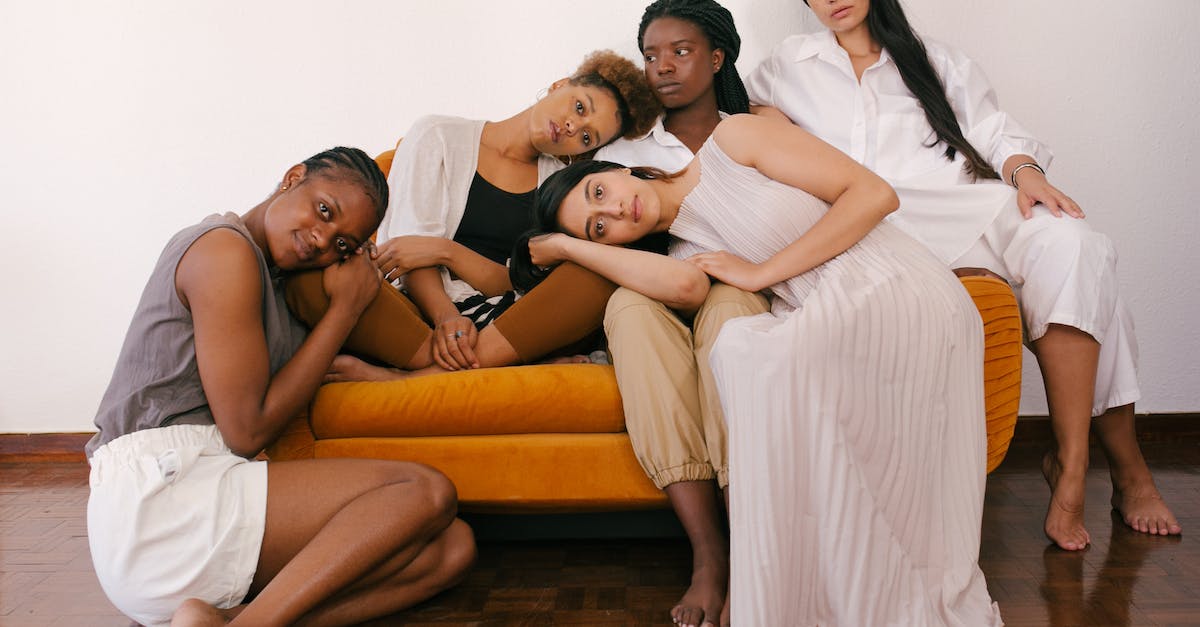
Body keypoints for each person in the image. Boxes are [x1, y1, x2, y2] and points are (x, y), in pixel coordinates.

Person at [513, 113, 1003, 625]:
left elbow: (875, 195)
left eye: (598, 192)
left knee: (750, 354)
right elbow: (684, 288)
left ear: (616, 169)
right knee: (749, 356)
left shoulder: (733, 140)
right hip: (828, 313)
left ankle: (760, 571)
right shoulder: (685, 252)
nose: (615, 209)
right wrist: (568, 246)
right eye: (599, 228)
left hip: (890, 286)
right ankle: (755, 568)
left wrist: (762, 272)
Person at [744, 0, 1180, 551]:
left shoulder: (934, 60)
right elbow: (743, 126)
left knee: (1078, 246)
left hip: (964, 210)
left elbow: (995, 133)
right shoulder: (784, 66)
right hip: (875, 228)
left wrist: (1026, 173)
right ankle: (1127, 469)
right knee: (1087, 271)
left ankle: (1072, 461)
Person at [85, 147, 475, 627]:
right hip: (159, 505)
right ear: (292, 178)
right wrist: (345, 310)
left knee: (451, 551)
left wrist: (400, 367)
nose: (321, 240)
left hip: (200, 495)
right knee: (425, 489)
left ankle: (227, 619)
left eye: (343, 244)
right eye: (324, 210)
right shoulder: (223, 250)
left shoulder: (281, 284)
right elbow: (246, 432)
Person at [285, 51, 660, 382]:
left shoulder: (562, 189)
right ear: (560, 85)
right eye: (579, 107)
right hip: (415, 314)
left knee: (594, 272)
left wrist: (446, 251)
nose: (573, 127)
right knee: (311, 279)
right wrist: (447, 317)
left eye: (587, 137)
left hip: (502, 322)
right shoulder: (438, 135)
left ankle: (406, 378)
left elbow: (520, 282)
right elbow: (405, 254)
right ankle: (499, 363)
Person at [592, 2, 766, 626]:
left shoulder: (754, 127)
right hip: (660, 288)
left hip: (740, 281)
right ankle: (708, 554)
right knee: (627, 310)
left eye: (680, 52)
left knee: (728, 317)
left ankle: (751, 549)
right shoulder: (626, 148)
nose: (662, 66)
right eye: (651, 55)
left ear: (716, 58)